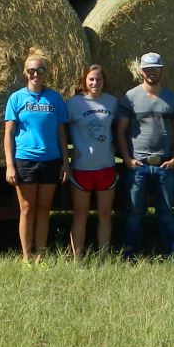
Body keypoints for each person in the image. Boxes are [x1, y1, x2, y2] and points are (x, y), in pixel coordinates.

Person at [115, 50, 174, 262]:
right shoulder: (130, 97)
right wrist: (127, 159)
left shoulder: (172, 98)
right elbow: (120, 131)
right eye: (147, 69)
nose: (151, 73)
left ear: (161, 70)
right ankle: (130, 257)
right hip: (139, 166)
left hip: (164, 165)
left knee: (166, 214)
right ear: (141, 71)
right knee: (134, 215)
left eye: (155, 69)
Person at [3, 50, 68, 264]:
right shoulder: (16, 98)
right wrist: (10, 165)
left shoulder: (55, 98)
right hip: (25, 159)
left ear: (45, 73)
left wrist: (65, 162)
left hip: (51, 159)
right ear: (25, 73)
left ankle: (40, 255)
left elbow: (61, 133)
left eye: (39, 70)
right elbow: (9, 134)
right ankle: (26, 256)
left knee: (44, 209)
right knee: (27, 209)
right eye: (31, 70)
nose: (35, 74)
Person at [65, 63, 119, 259]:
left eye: (99, 79)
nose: (95, 82)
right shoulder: (73, 104)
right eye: (91, 79)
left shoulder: (112, 102)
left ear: (104, 81)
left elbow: (117, 129)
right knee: (81, 215)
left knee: (105, 214)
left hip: (106, 167)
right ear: (84, 81)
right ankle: (77, 259)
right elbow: (61, 130)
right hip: (81, 169)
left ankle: (104, 257)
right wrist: (66, 156)